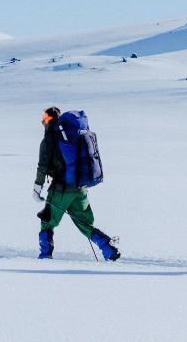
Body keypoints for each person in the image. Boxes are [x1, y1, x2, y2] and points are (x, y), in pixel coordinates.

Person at [34, 107, 119, 260]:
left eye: (45, 118)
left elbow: (42, 167)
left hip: (61, 190)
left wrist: (37, 188)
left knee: (47, 222)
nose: (42, 121)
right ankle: (109, 249)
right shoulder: (70, 136)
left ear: (50, 120)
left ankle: (45, 257)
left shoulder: (49, 140)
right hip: (80, 188)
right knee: (85, 224)